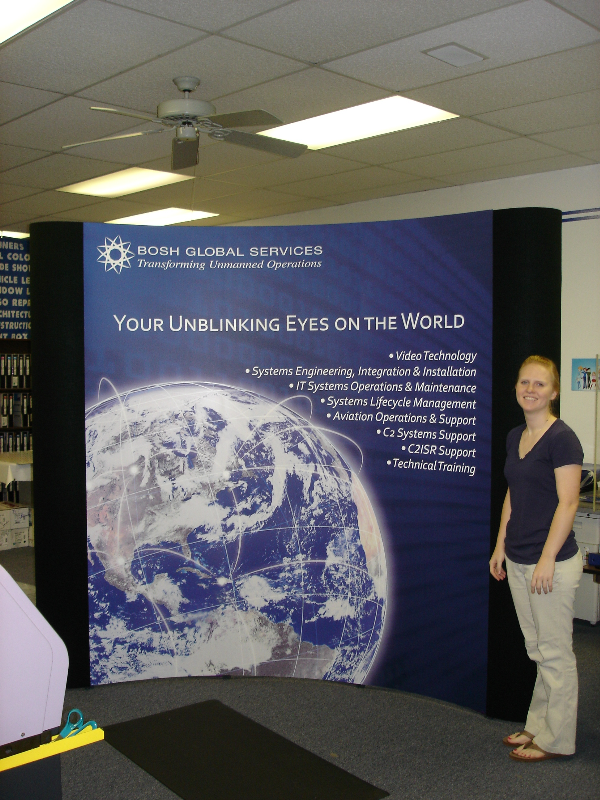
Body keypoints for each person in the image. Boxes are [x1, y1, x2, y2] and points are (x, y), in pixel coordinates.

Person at [490, 355, 583, 762]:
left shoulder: (562, 439)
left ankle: (557, 739)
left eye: (540, 384)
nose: (531, 389)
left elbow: (569, 502)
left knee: (555, 652)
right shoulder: (516, 436)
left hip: (552, 564)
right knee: (537, 648)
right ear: (516, 388)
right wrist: (500, 546)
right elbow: (513, 494)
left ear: (554, 392)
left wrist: (547, 558)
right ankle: (539, 723)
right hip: (519, 558)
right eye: (524, 382)